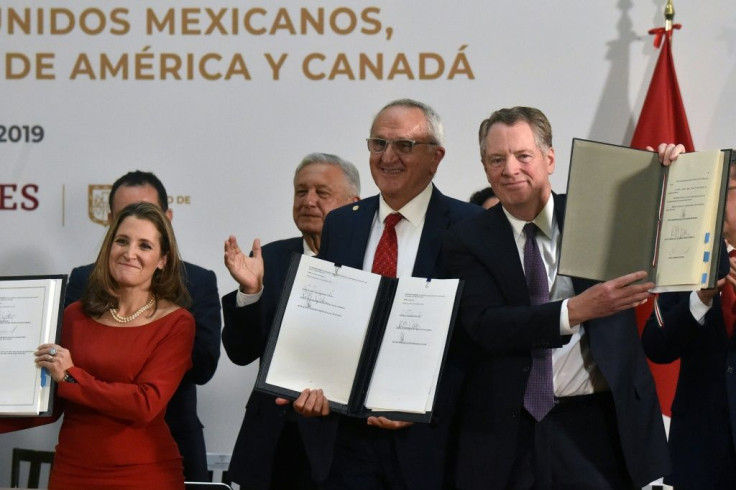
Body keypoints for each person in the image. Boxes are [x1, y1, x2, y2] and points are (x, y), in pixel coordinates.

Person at [442, 106, 677, 489]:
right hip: (507, 433)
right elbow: (484, 324)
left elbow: (685, 252)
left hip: (599, 426)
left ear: (549, 159)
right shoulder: (466, 239)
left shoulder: (601, 215)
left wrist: (673, 179)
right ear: (484, 167)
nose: (510, 169)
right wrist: (573, 312)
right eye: (496, 159)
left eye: (523, 156)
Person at [290, 99, 483, 489]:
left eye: (404, 146)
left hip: (431, 442)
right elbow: (326, 323)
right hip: (346, 440)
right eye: (378, 144)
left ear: (436, 157)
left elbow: (478, 338)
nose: (387, 156)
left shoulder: (472, 227)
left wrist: (422, 404)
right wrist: (306, 382)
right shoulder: (342, 224)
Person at [1, 202, 195, 488]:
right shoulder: (74, 315)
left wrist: (71, 375)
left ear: (163, 260)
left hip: (143, 475)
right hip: (72, 472)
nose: (130, 253)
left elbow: (145, 403)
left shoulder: (177, 323)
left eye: (145, 246)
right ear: (109, 247)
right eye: (122, 241)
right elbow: (48, 404)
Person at [64, 171, 221, 482]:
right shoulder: (77, 303)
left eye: (146, 244)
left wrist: (136, 365)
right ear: (110, 225)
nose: (130, 251)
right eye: (123, 235)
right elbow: (50, 384)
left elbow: (198, 370)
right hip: (76, 461)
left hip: (160, 446)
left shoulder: (188, 301)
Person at [220, 152, 361, 490]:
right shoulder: (267, 259)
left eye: (321, 193)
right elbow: (240, 352)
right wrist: (250, 292)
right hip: (272, 447)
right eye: (301, 192)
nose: (308, 201)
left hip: (345, 448)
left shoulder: (369, 265)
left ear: (354, 203)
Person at [641, 161, 736, 488]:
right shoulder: (686, 257)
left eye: (729, 191)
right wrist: (701, 299)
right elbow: (656, 346)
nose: (721, 201)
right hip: (700, 452)